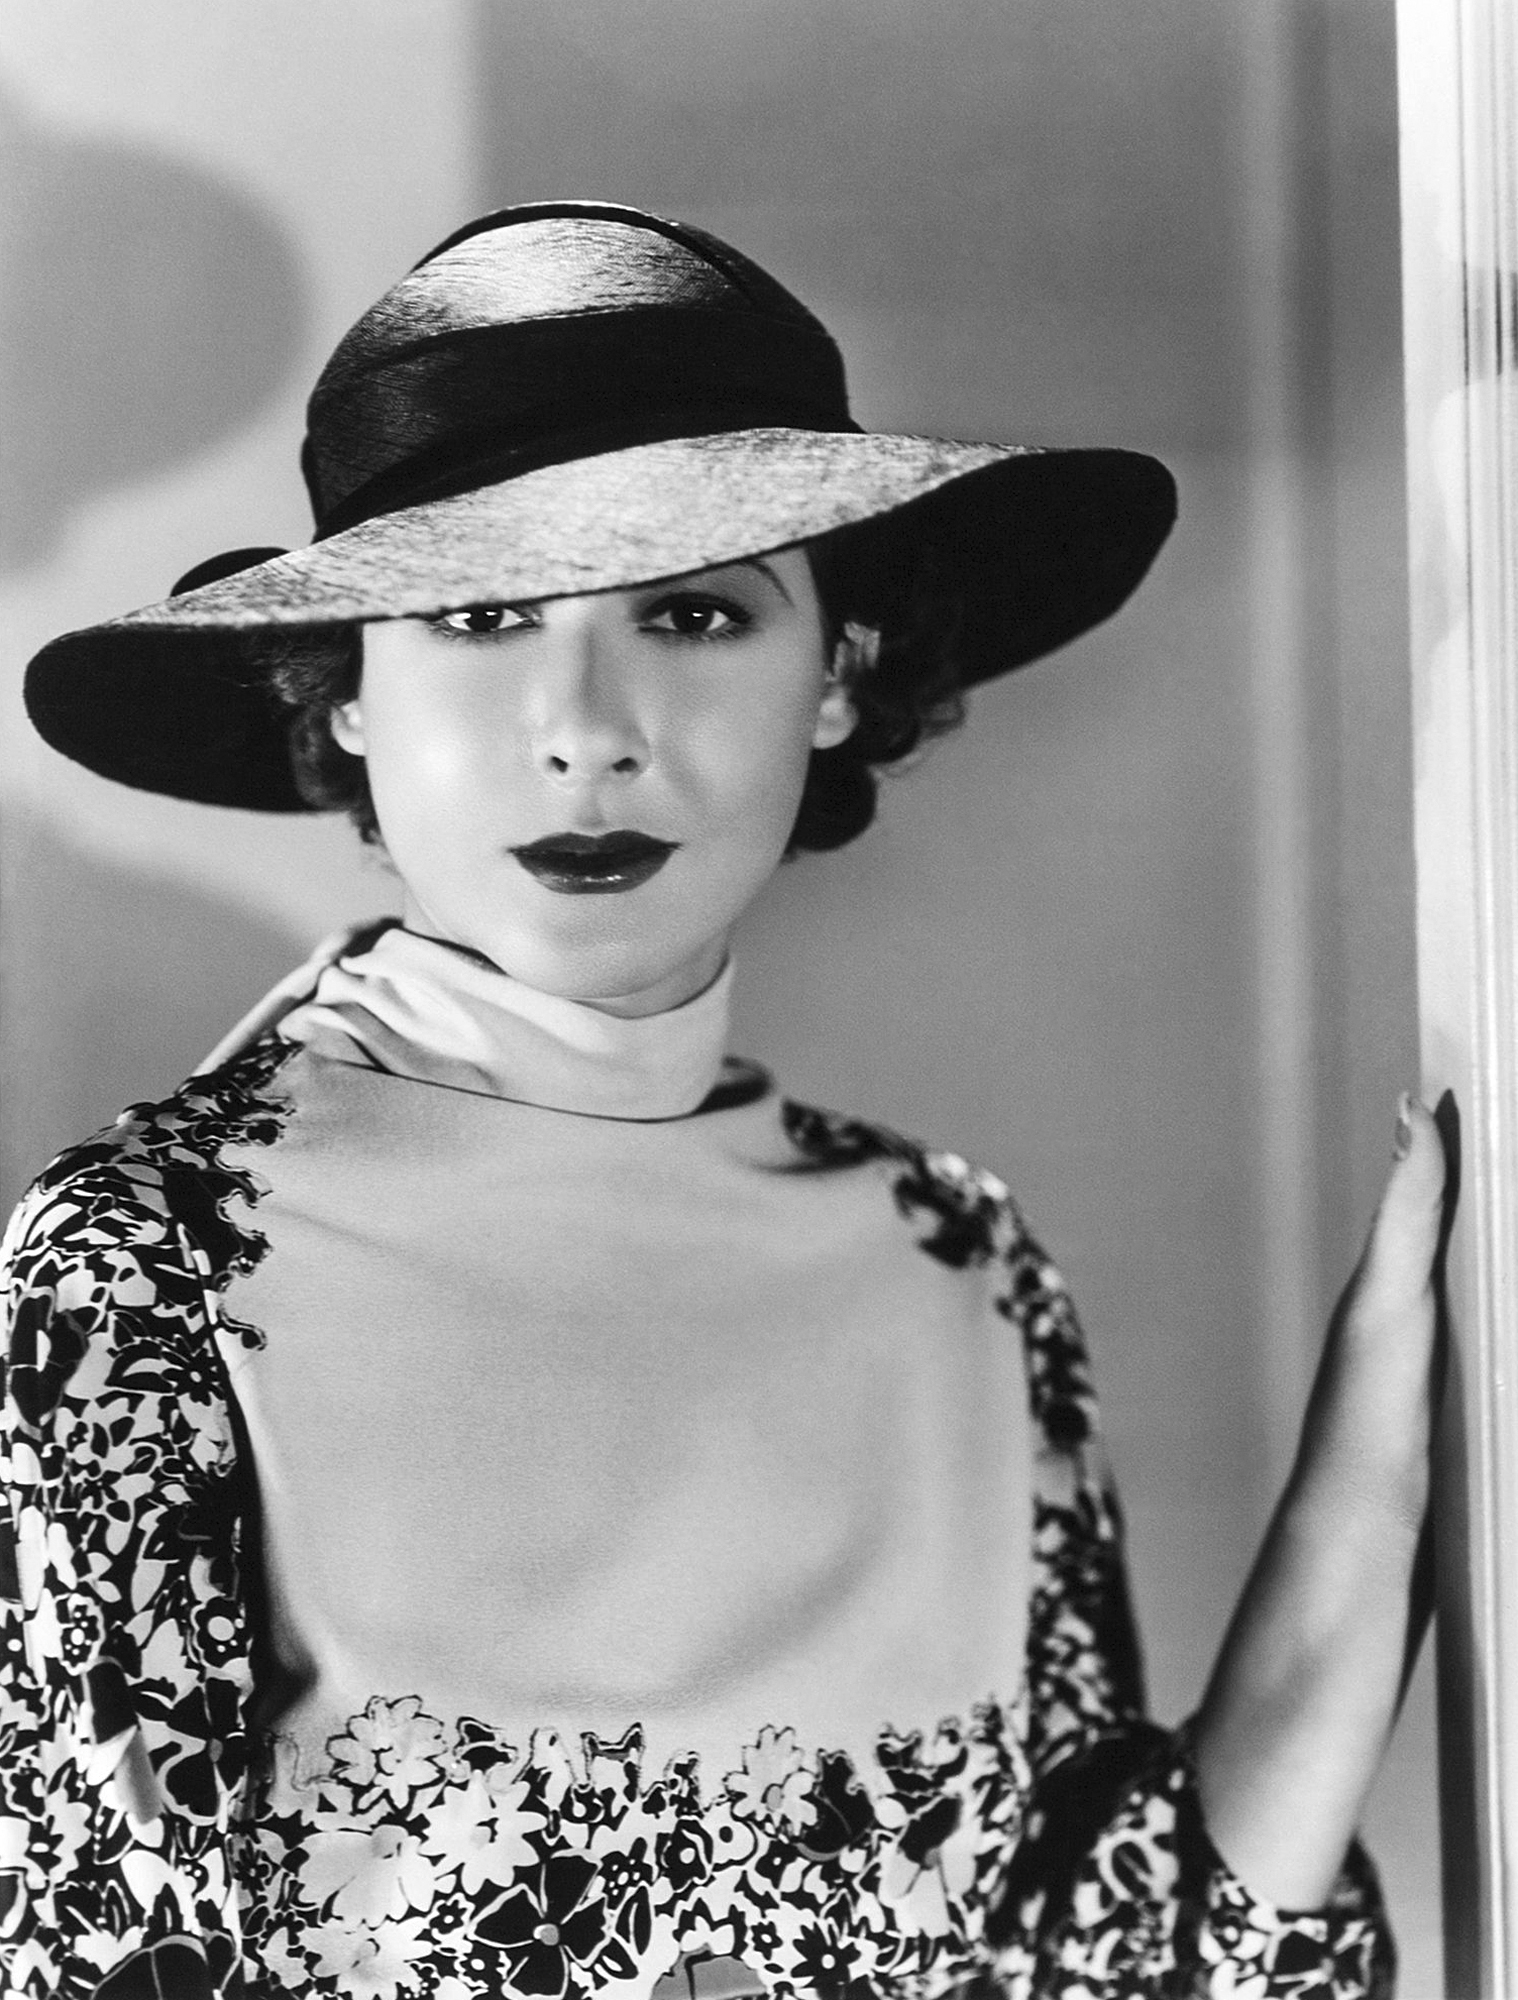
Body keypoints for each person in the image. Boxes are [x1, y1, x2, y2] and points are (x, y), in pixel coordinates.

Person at [1, 203, 1442, 2000]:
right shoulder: (151, 1260)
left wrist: (1383, 1455)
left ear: (837, 677)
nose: (584, 726)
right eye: (478, 616)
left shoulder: (953, 1265)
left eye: (691, 612)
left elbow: (1115, 1952)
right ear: (349, 696)